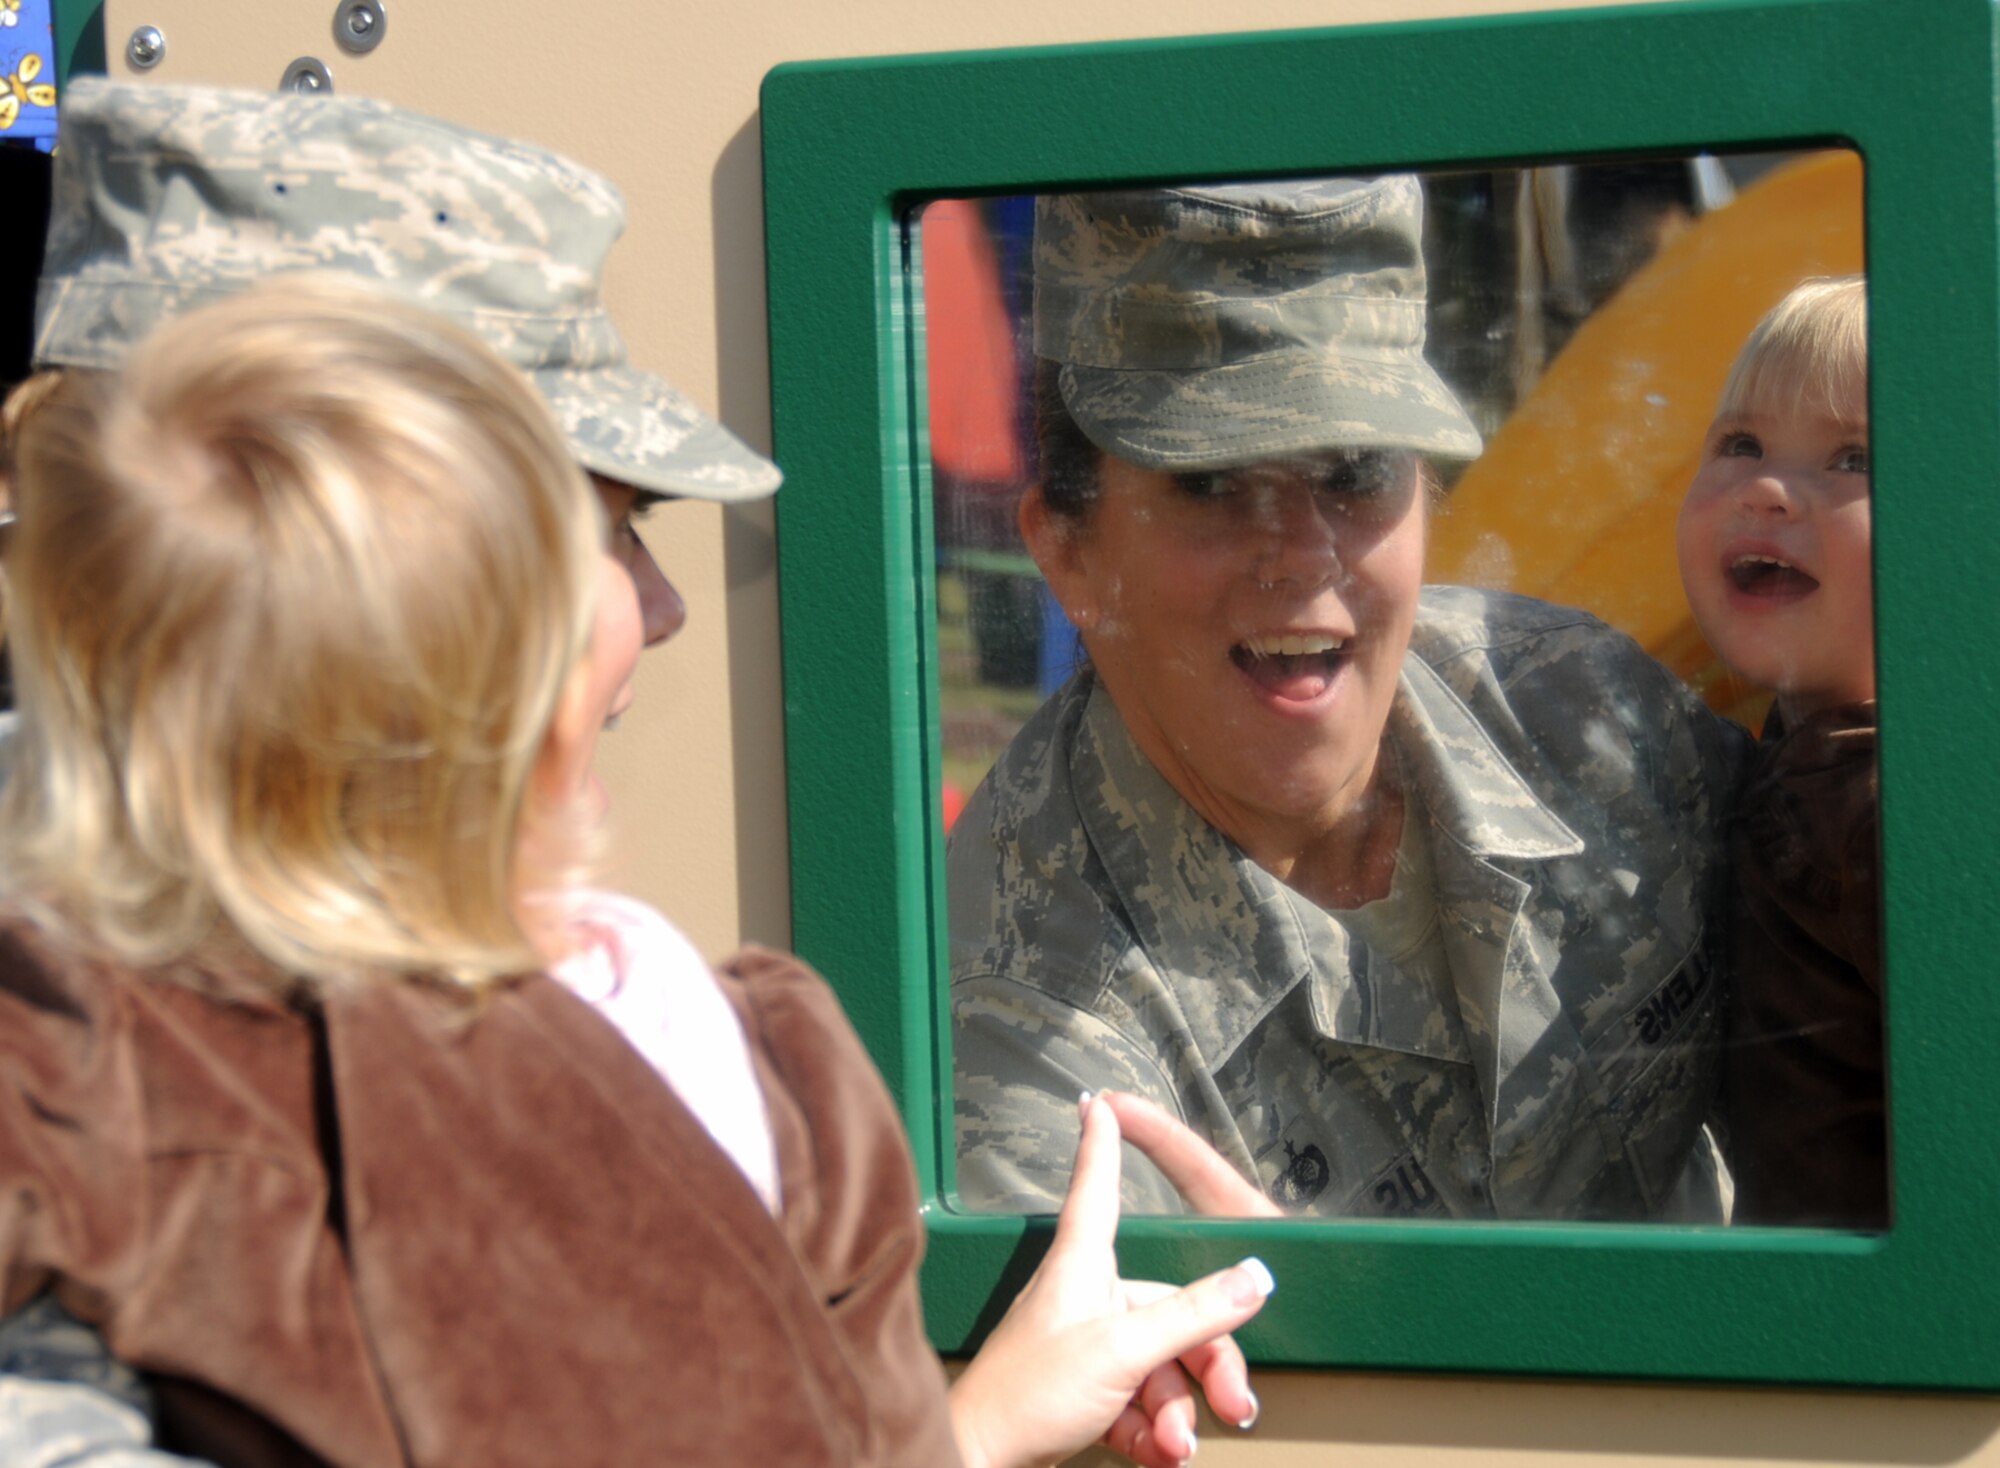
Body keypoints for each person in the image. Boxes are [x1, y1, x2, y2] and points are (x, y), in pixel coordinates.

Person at [0, 81, 1271, 1468]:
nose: (661, 610)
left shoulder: (697, 1034)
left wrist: (956, 1437)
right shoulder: (70, 1080)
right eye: (594, 530)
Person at [951, 177, 1749, 1222]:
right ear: (1068, 553)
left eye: (1353, 470)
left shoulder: (1584, 716)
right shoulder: (1021, 1020)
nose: (1302, 552)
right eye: (1212, 481)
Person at [1675, 275, 1885, 1229]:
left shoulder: (1884, 810)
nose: (1766, 488)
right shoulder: (1802, 747)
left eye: (1853, 459)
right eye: (1742, 445)